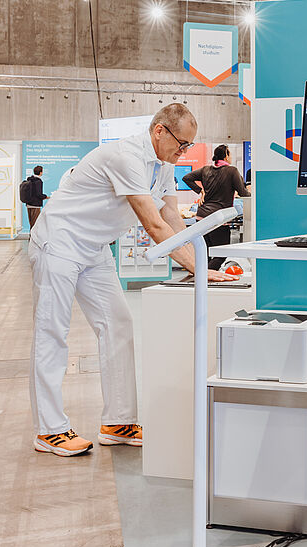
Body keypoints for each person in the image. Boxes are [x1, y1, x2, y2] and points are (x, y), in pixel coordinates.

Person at [28, 104, 237, 458]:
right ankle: (49, 430)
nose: (184, 151)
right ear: (159, 131)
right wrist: (198, 268)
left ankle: (118, 422)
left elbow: (171, 216)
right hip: (60, 241)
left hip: (94, 247)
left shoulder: (164, 165)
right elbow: (154, 225)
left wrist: (199, 259)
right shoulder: (126, 156)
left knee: (118, 323)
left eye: (189, 145)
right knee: (52, 331)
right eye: (182, 144)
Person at [183, 144, 248, 270]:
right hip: (218, 218)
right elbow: (243, 193)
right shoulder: (232, 171)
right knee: (221, 254)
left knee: (205, 253)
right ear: (226, 155)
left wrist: (200, 191)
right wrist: (254, 194)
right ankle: (206, 276)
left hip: (201, 217)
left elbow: (187, 178)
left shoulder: (205, 170)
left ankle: (200, 278)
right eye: (230, 154)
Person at [23, 165, 48, 229]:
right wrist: (45, 196)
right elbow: (39, 194)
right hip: (35, 205)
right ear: (40, 172)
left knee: (31, 222)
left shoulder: (29, 180)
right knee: (35, 223)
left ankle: (31, 234)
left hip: (28, 204)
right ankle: (33, 235)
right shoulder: (38, 181)